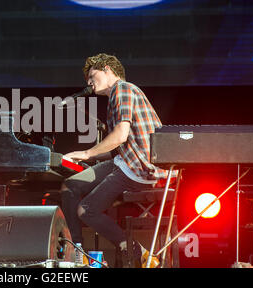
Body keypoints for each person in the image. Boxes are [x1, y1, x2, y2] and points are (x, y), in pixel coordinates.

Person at [61, 53, 172, 267]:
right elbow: (118, 147)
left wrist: (87, 154)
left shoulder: (124, 89)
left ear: (108, 70)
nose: (89, 82)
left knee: (86, 210)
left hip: (140, 167)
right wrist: (83, 155)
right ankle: (77, 251)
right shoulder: (116, 97)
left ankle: (137, 251)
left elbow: (120, 136)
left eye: (92, 76)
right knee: (70, 185)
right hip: (126, 162)